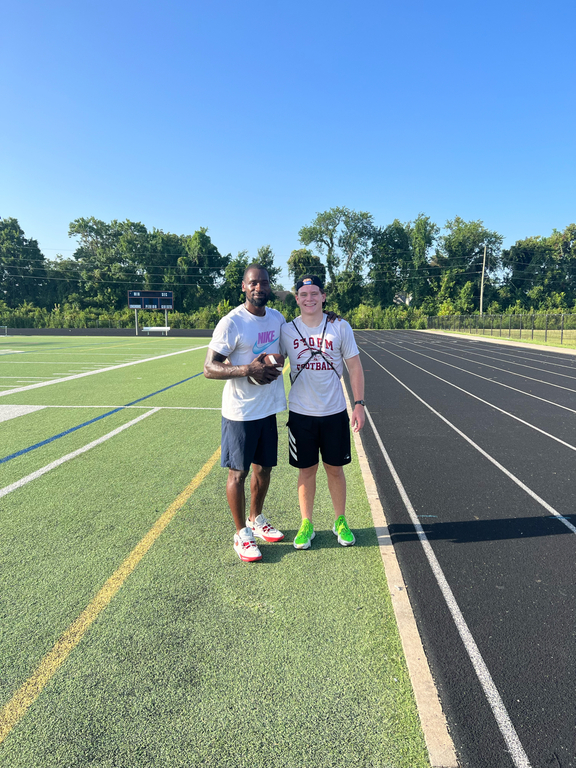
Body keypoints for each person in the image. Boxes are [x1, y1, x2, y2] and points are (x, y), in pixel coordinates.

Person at [204, 265, 287, 562]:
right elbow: (209, 368)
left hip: (268, 409)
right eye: (253, 283)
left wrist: (327, 315)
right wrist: (247, 369)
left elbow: (299, 334)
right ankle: (241, 533)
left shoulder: (277, 318)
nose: (258, 288)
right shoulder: (232, 322)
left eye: (263, 282)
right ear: (243, 286)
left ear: (269, 286)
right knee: (238, 474)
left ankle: (255, 519)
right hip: (240, 412)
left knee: (264, 469)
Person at [280, 274, 365, 550]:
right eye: (304, 294)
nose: (310, 299)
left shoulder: (340, 326)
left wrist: (359, 404)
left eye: (314, 293)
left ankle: (340, 520)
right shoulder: (287, 330)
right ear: (297, 298)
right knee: (306, 471)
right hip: (301, 414)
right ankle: (307, 524)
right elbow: (273, 361)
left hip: (334, 412)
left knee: (335, 469)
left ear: (323, 296)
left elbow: (354, 367)